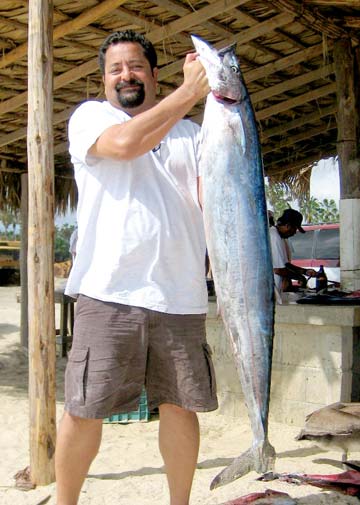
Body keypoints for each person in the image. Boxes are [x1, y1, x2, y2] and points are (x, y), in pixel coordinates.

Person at [55, 30, 218, 505]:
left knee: (182, 407)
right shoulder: (92, 118)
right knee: (85, 409)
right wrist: (191, 92)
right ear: (105, 81)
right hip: (108, 292)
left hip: (180, 298)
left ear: (153, 74)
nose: (126, 75)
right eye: (116, 69)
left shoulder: (195, 134)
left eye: (137, 66)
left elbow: (216, 203)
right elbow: (125, 145)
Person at [269, 209, 317, 300]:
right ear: (288, 226)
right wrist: (299, 277)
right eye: (295, 229)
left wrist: (305, 271)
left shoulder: (280, 237)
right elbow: (278, 270)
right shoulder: (274, 237)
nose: (295, 233)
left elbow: (286, 264)